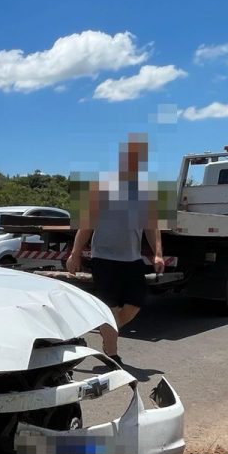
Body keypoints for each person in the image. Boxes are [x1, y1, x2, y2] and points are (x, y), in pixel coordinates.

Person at [65, 135, 165, 365]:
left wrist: (158, 252)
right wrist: (75, 253)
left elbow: (151, 226)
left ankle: (102, 328)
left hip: (132, 259)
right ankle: (111, 354)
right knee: (109, 306)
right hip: (105, 258)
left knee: (135, 304)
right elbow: (87, 223)